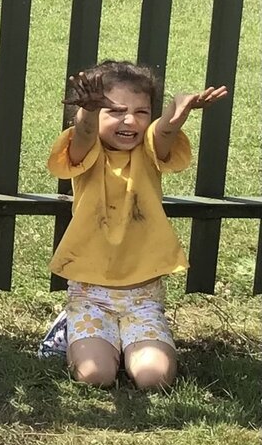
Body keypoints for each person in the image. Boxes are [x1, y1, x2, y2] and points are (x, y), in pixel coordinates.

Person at [49, 62, 227, 389]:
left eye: (141, 111)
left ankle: (128, 340)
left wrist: (177, 111)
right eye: (114, 111)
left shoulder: (148, 150)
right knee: (95, 375)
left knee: (153, 379)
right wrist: (88, 113)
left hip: (142, 295)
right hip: (91, 293)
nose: (129, 121)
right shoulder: (84, 149)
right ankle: (72, 327)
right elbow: (85, 132)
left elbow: (164, 132)